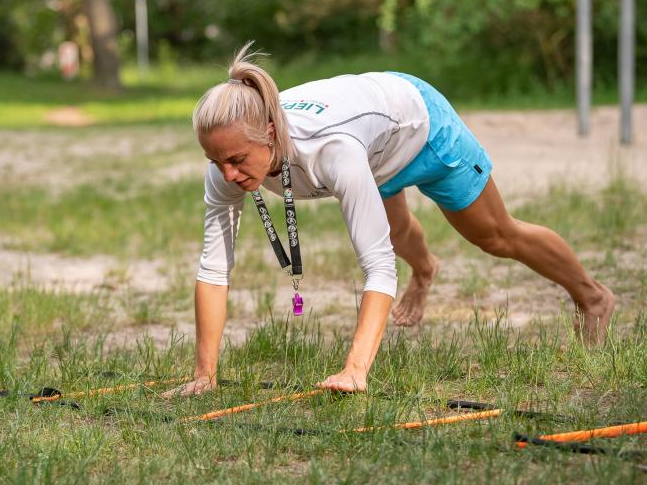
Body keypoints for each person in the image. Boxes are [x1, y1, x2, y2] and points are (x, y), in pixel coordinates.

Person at [163, 43, 615, 397]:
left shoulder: (333, 152)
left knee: (495, 236)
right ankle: (426, 271)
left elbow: (377, 266)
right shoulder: (228, 162)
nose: (227, 174)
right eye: (215, 159)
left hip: (418, 126)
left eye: (237, 159)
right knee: (397, 232)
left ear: (270, 132)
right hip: (372, 144)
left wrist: (354, 369)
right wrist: (205, 375)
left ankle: (593, 297)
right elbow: (213, 269)